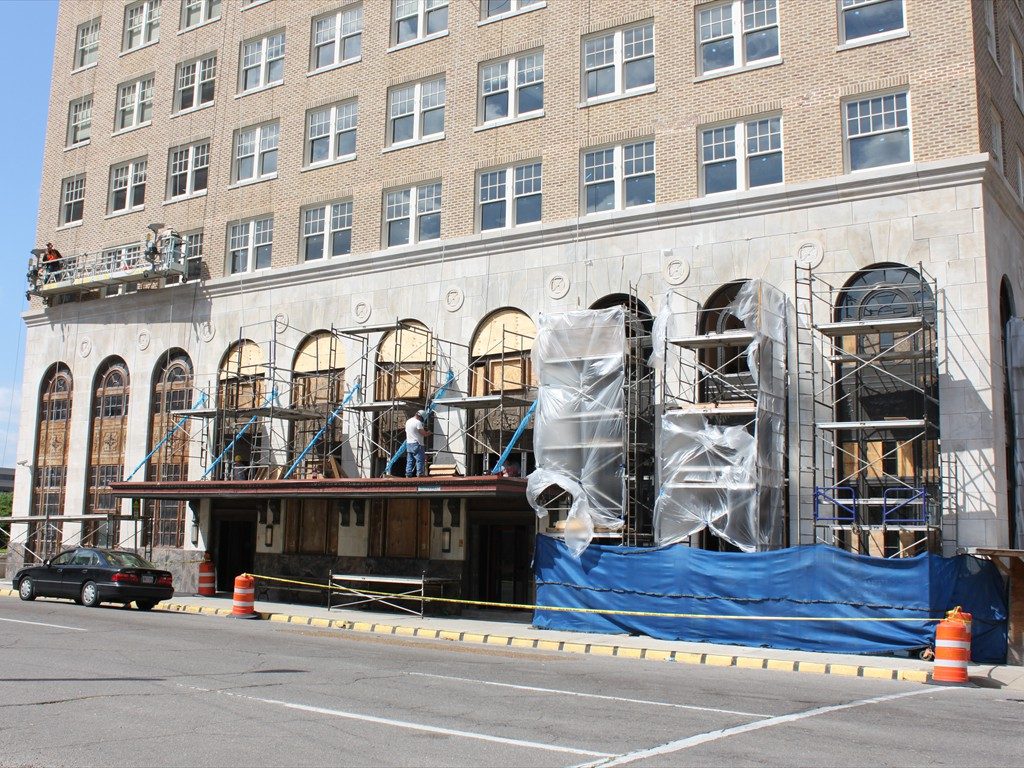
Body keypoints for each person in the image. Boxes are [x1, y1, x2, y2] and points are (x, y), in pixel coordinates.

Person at [404, 409, 431, 478]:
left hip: (409, 443)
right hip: (417, 443)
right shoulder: (417, 422)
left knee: (410, 460)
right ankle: (420, 474)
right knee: (420, 459)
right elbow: (423, 433)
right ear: (420, 417)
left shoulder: (408, 421)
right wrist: (428, 433)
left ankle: (408, 474)